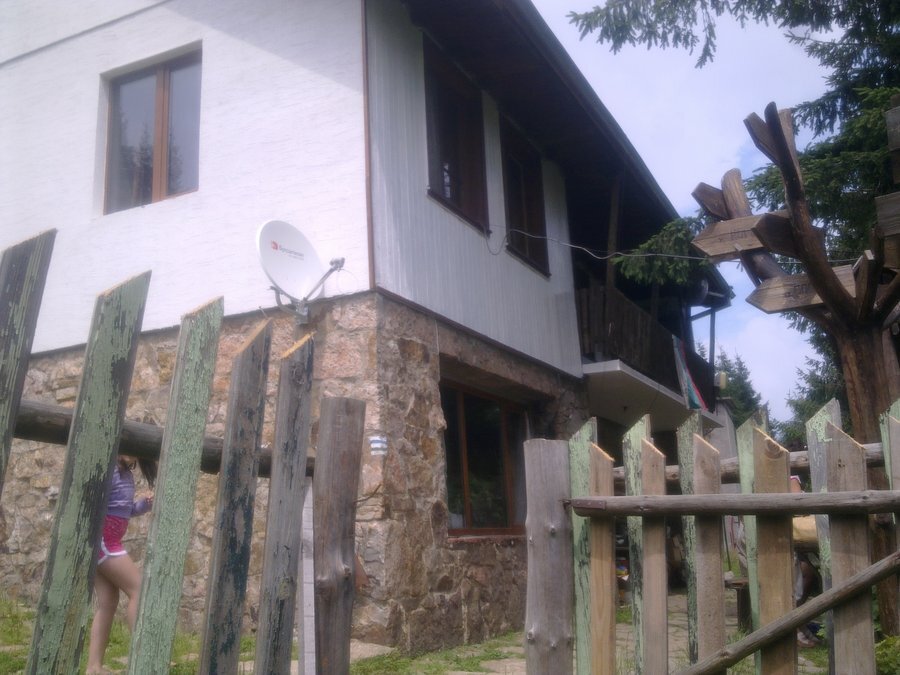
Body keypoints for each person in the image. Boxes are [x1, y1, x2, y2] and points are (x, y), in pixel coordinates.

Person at [86, 455, 156, 675]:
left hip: (107, 542)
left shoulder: (126, 474)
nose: (130, 454)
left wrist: (143, 505)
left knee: (108, 602)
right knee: (139, 590)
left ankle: (93, 668)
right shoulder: (110, 470)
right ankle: (141, 662)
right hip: (104, 542)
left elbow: (125, 509)